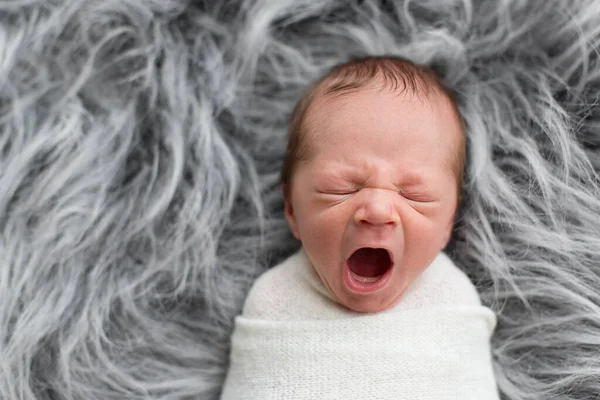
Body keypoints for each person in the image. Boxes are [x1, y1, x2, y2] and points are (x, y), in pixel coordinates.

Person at [220, 56, 499, 400]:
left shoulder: (453, 301)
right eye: (341, 188)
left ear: (448, 225)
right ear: (291, 209)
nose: (378, 210)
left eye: (415, 195)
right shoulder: (272, 302)